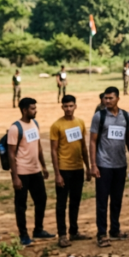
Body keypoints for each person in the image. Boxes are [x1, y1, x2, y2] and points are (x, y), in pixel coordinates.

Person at [89, 86, 129, 247]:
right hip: (103, 165)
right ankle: (102, 234)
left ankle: (115, 230)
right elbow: (92, 141)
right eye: (105, 98)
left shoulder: (125, 116)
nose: (107, 100)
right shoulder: (99, 116)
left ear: (118, 98)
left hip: (120, 165)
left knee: (117, 200)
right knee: (102, 201)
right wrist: (93, 164)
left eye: (110, 98)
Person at [8, 98, 54, 246]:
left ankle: (38, 229)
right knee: (21, 204)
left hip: (35, 170)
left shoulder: (35, 124)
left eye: (35, 108)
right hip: (22, 171)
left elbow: (38, 146)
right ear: (24, 110)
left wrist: (43, 166)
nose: (35, 111)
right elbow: (11, 154)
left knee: (41, 199)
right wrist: (15, 177)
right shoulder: (15, 128)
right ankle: (23, 234)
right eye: (32, 108)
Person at [50, 95, 92, 248]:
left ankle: (74, 231)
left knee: (75, 201)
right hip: (64, 169)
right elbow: (54, 150)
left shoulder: (80, 123)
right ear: (62, 107)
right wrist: (57, 174)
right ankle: (62, 235)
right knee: (61, 203)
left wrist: (88, 167)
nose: (68, 109)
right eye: (66, 106)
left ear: (75, 106)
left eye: (71, 106)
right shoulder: (56, 126)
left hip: (78, 168)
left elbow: (83, 146)